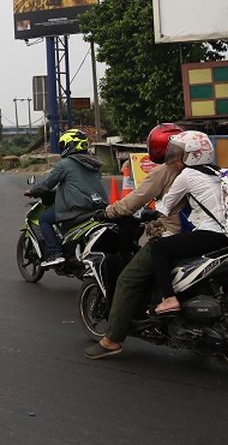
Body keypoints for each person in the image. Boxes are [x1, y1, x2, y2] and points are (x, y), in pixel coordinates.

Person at [83, 123, 185, 360]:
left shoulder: (166, 171)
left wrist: (108, 212)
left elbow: (134, 201)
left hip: (172, 233)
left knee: (127, 280)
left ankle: (112, 340)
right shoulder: (199, 170)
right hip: (203, 233)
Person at [149, 130, 228, 315]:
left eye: (178, 154)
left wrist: (149, 210)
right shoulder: (219, 171)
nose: (174, 158)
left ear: (192, 156)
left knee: (159, 249)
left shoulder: (187, 175)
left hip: (211, 234)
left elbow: (165, 207)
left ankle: (169, 298)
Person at [24, 129, 106, 268]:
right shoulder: (94, 163)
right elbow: (80, 184)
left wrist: (32, 190)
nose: (61, 148)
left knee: (44, 219)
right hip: (98, 207)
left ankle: (55, 254)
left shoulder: (66, 164)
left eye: (63, 145)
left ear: (70, 145)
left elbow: (47, 184)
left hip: (76, 209)